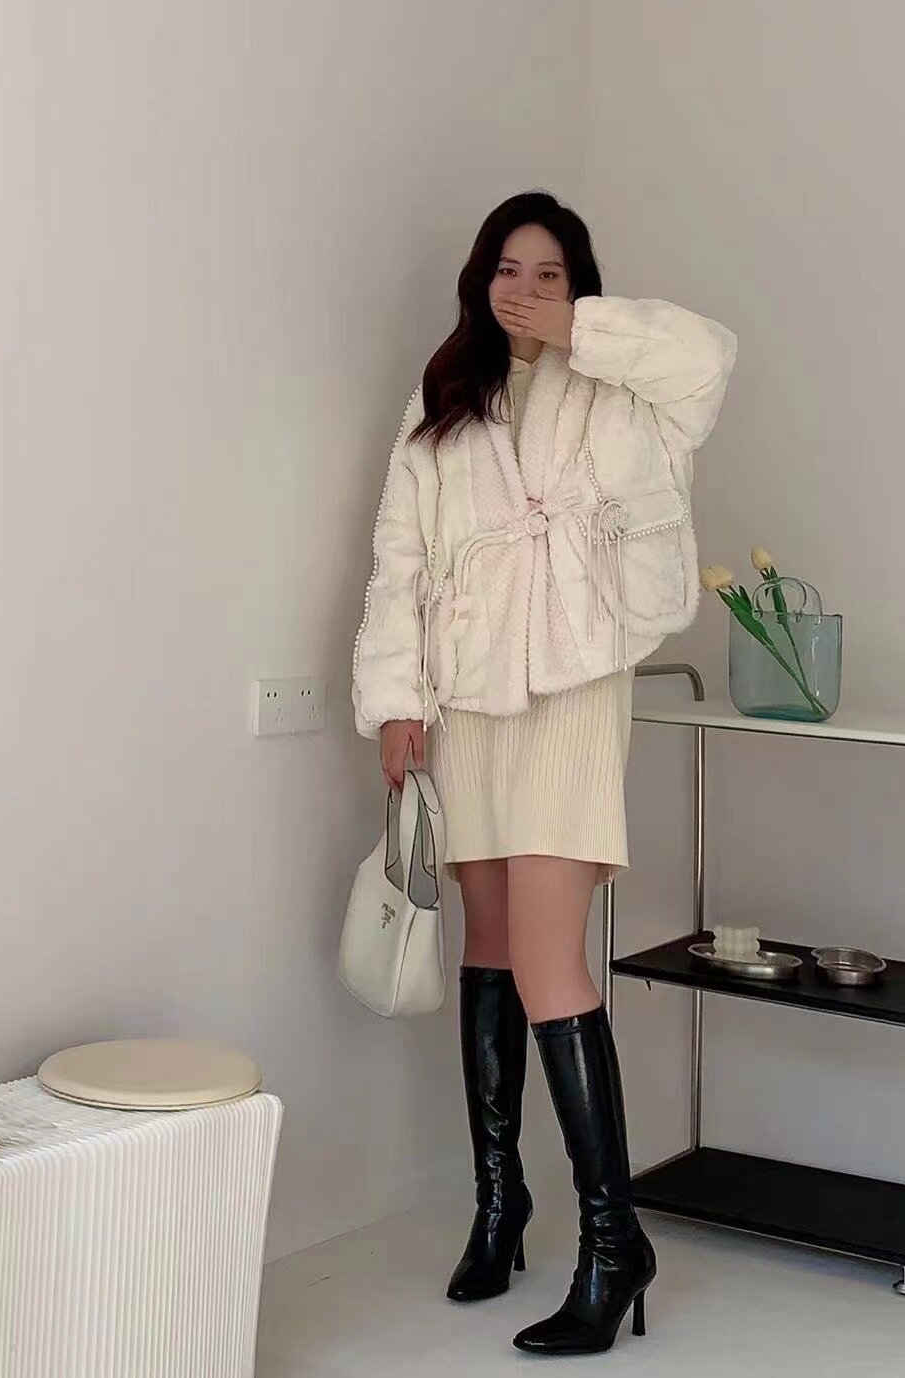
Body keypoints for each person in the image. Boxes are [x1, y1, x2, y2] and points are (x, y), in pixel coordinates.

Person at [351, 191, 736, 1357]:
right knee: (486, 944)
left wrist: (582, 332)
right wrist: (395, 698)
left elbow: (709, 355)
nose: (523, 288)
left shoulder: (625, 389)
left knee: (544, 956)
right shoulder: (442, 396)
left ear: (578, 288)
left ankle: (613, 1243)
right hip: (467, 696)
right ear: (479, 278)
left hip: (569, 690)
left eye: (549, 273)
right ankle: (499, 1202)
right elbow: (398, 558)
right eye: (507, 269)